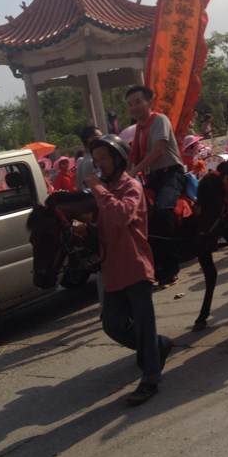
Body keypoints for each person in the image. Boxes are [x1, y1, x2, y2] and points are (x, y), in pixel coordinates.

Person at [86, 134, 172, 406]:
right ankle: (158, 345)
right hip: (112, 269)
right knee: (112, 324)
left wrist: (98, 190)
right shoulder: (104, 190)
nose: (99, 164)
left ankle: (151, 378)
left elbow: (121, 215)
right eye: (96, 159)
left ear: (118, 159)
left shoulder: (131, 186)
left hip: (134, 266)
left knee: (144, 326)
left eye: (103, 158)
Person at [126, 85, 185, 286]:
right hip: (152, 178)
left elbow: (158, 151)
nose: (134, 107)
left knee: (162, 211)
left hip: (171, 174)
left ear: (149, 102)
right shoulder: (138, 129)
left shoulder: (160, 120)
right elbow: (133, 159)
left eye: (137, 102)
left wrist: (134, 172)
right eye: (130, 104)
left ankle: (172, 266)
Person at [76, 125, 102, 190]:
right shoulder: (90, 162)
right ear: (90, 139)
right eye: (99, 137)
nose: (102, 140)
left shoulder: (82, 161)